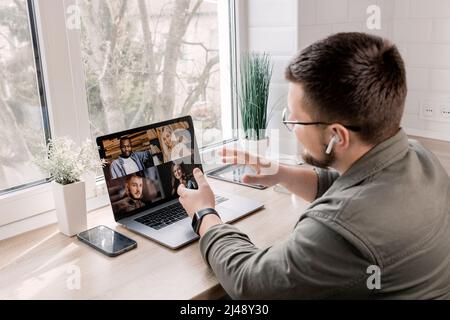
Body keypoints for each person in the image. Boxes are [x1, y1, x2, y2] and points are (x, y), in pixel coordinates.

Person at [177, 32, 450, 299]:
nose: (292, 128)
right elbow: (352, 187)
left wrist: (204, 214)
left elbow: (250, 283)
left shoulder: (338, 229)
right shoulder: (420, 158)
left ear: (337, 135)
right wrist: (281, 173)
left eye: (295, 121)